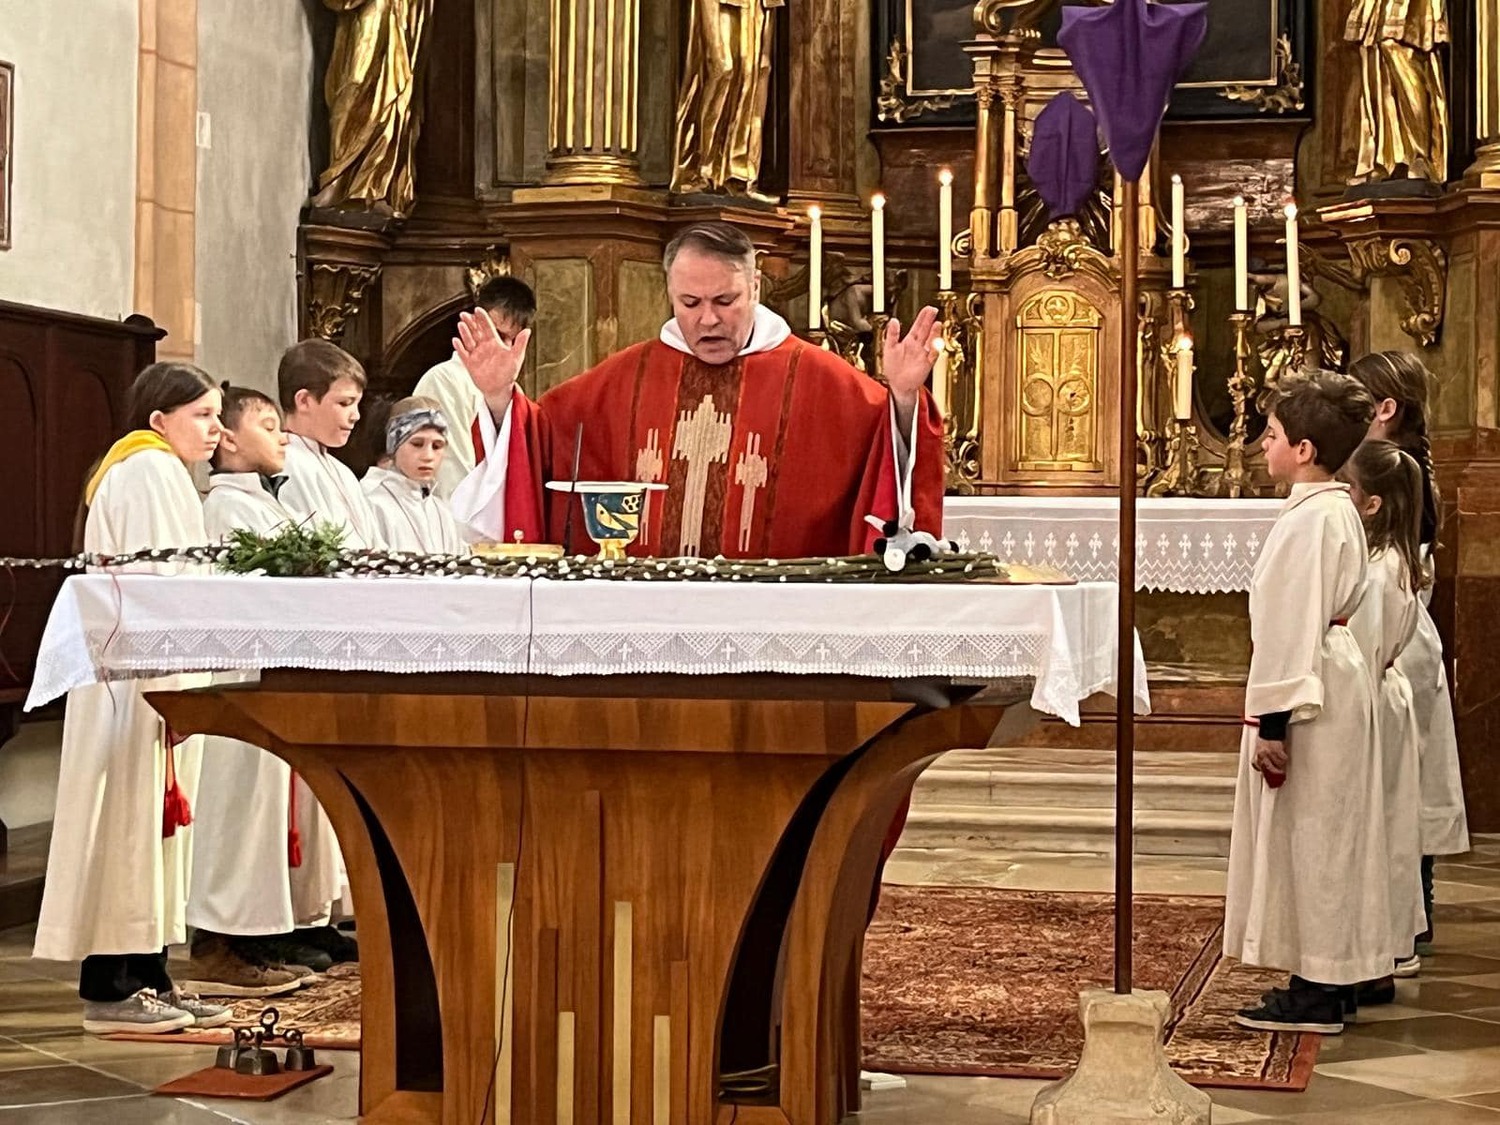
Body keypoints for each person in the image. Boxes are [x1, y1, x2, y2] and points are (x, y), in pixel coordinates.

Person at [450, 220, 946, 556]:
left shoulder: (822, 380)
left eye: (725, 300)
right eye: (689, 303)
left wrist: (903, 399)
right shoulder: (623, 379)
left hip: (779, 624)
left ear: (755, 287)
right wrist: (498, 398)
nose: (707, 319)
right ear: (669, 293)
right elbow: (538, 446)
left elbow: (886, 458)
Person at [33, 363, 232, 1033]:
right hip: (142, 682)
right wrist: (178, 688)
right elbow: (161, 585)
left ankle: (150, 976)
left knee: (149, 830)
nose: (216, 428)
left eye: (218, 414)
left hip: (146, 679)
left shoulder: (155, 470)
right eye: (203, 414)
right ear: (159, 420)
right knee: (128, 827)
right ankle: (114, 987)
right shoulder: (147, 469)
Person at [1225, 369, 1389, 1035]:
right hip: (1331, 678)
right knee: (1330, 832)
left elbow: (1291, 622)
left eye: (1271, 435)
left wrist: (1272, 724)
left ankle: (1318, 988)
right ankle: (1333, 972)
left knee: (1315, 835)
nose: (1263, 446)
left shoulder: (1312, 519)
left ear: (1304, 450)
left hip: (1310, 693)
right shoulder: (1331, 508)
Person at [184, 386, 344, 995]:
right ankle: (220, 943)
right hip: (238, 675)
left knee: (266, 813)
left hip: (271, 672)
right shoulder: (225, 507)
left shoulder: (264, 502)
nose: (281, 437)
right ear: (228, 439)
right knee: (238, 811)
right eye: (268, 425)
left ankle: (263, 934)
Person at [1348, 351, 1469, 953]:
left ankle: (1409, 916)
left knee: (1403, 787)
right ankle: (1407, 914)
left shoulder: (1393, 474)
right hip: (1400, 635)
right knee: (1404, 784)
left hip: (1396, 640)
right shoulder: (1396, 466)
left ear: (1385, 409)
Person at [1341, 439, 1429, 1006]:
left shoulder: (1377, 573)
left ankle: (1376, 955)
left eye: (1346, 487)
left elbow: (1363, 651)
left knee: (1375, 832)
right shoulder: (1393, 561)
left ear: (1371, 505)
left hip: (1372, 703)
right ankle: (1380, 952)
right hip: (1385, 701)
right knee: (1388, 828)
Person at [412, 276, 537, 503]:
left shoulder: (514, 392)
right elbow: (451, 475)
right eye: (498, 335)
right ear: (474, 323)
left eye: (513, 340)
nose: (505, 348)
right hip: (457, 515)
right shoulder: (444, 380)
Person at [278, 339, 381, 548]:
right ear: (304, 401)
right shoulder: (283, 464)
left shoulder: (342, 471)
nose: (356, 416)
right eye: (344, 403)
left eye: (357, 404)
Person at [362, 396, 468, 554]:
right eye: (417, 444)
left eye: (437, 446)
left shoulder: (441, 511)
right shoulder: (370, 502)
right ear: (393, 446)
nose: (428, 456)